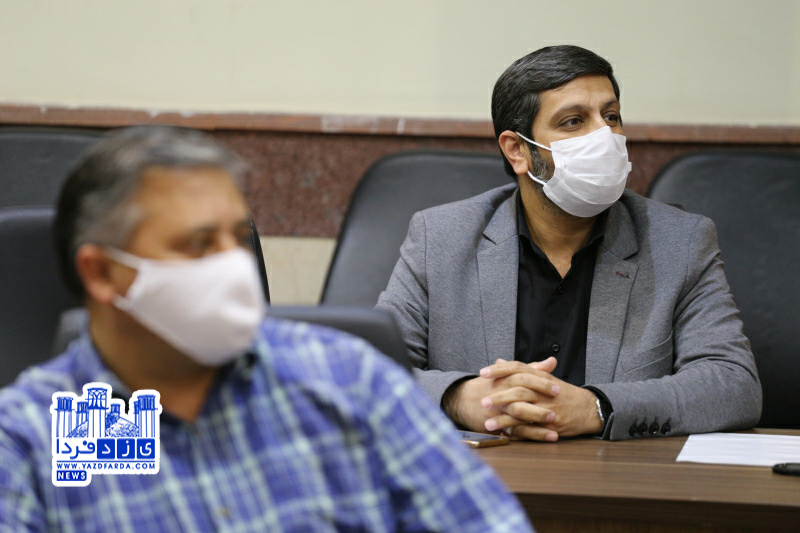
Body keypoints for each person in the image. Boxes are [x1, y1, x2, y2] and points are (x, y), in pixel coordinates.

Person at [0, 126, 533, 532]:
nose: (233, 265)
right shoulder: (24, 439)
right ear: (101, 273)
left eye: (237, 238)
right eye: (198, 244)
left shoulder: (349, 379)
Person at [377, 45, 761, 442]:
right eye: (573, 121)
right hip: (482, 471)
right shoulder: (440, 237)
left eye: (611, 116)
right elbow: (365, 371)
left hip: (613, 474)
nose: (604, 136)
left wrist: (597, 407)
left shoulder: (680, 241)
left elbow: (734, 385)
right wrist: (457, 398)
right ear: (517, 150)